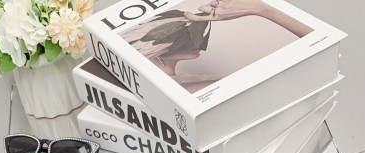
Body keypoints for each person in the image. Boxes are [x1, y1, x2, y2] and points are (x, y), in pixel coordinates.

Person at [124, 0, 313, 85]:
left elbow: (318, 41)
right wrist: (259, 8)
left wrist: (259, 8)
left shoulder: (185, 82)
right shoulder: (183, 86)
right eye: (189, 34)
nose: (200, 40)